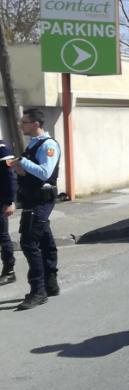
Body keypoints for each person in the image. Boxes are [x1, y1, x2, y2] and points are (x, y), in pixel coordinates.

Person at [10, 109, 61, 310]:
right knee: (45, 240)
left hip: (41, 200)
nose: (21, 125)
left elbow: (45, 172)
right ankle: (50, 284)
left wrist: (22, 162)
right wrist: (19, 169)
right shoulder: (33, 144)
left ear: (36, 124)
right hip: (32, 198)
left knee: (29, 242)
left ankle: (38, 291)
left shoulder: (48, 145)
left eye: (25, 122)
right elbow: (30, 172)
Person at [0, 140, 16, 286]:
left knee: (2, 236)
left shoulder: (2, 149)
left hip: (1, 202)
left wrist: (10, 201)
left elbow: (10, 176)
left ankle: (9, 271)